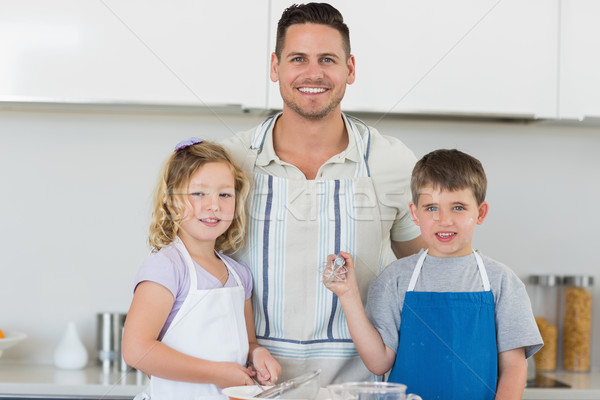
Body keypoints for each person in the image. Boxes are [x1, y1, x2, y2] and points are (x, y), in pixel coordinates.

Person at [222, 3, 426, 384]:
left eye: (328, 59)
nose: (313, 73)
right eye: (298, 58)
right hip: (249, 387)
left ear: (350, 69)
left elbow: (425, 276)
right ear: (274, 67)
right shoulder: (229, 161)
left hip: (359, 388)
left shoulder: (392, 162)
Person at [324, 149, 543, 400]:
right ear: (415, 213)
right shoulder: (394, 279)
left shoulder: (502, 282)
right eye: (431, 208)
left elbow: (514, 367)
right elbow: (379, 362)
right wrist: (348, 295)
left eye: (458, 207)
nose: (444, 220)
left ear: (480, 213)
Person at [122, 138, 280, 400]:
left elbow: (247, 343)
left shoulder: (240, 276)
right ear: (172, 203)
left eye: (225, 194)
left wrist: (257, 354)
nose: (214, 204)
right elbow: (137, 350)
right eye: (198, 193)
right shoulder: (167, 267)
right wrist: (216, 373)